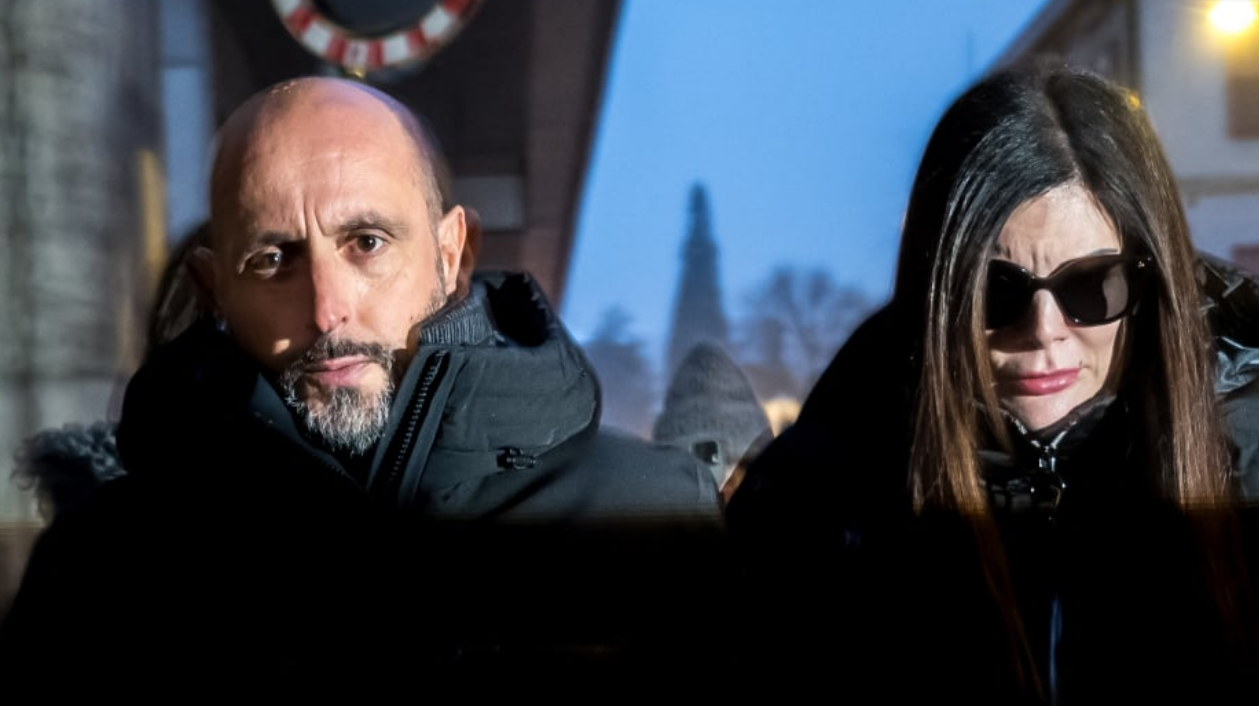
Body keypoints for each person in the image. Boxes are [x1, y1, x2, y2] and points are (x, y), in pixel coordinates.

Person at [0, 76, 726, 695]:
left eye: (367, 243)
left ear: (452, 254)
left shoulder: (652, 516)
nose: (326, 309)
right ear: (213, 289)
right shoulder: (102, 568)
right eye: (273, 259)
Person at [725, 62, 1259, 702]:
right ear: (940, 291)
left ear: (1149, 278)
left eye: (1092, 284)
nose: (1044, 330)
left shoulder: (1249, 458)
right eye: (995, 290)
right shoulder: (824, 498)